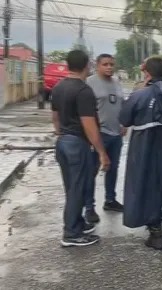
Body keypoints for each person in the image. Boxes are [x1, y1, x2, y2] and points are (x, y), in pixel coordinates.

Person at [119, 56, 162, 250]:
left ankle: (156, 234)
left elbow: (124, 119)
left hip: (146, 148)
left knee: (149, 184)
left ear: (146, 72)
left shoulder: (140, 95)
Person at [51, 50, 110, 247]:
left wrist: (61, 135)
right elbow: (89, 124)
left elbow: (55, 118)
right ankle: (71, 234)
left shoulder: (58, 87)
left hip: (63, 142)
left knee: (72, 187)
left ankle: (77, 223)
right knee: (78, 188)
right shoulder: (83, 91)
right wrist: (101, 151)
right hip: (77, 143)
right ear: (87, 66)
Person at [84, 54, 126, 224]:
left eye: (111, 64)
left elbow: (121, 104)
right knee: (92, 171)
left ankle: (110, 200)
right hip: (99, 133)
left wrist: (123, 124)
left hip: (116, 134)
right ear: (97, 65)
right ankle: (89, 207)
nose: (109, 67)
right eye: (105, 64)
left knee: (113, 168)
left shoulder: (116, 82)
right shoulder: (89, 83)